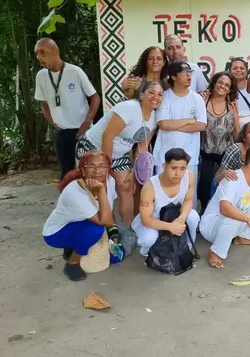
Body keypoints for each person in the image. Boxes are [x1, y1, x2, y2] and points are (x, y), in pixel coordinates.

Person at [76, 81, 163, 226]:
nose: (156, 97)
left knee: (127, 188)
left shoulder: (154, 118)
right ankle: (105, 229)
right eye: (151, 92)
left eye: (160, 94)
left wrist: (134, 172)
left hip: (120, 154)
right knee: (97, 190)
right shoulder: (129, 108)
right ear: (142, 95)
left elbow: (143, 147)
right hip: (93, 148)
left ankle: (126, 229)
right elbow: (107, 136)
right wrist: (106, 168)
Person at [43, 151, 118, 281]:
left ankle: (72, 247)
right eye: (91, 166)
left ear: (108, 168)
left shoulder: (110, 181)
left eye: (102, 166)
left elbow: (108, 212)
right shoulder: (75, 192)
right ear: (83, 170)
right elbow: (105, 221)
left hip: (79, 223)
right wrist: (101, 191)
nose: (97, 171)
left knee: (115, 257)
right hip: (56, 233)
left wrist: (113, 233)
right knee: (95, 230)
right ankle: (72, 263)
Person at [199, 145, 250, 269]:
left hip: (232, 224)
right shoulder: (233, 178)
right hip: (211, 226)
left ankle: (243, 237)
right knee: (233, 215)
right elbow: (224, 208)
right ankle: (215, 251)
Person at [34, 38, 100, 180]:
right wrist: (53, 123)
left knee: (89, 171)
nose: (39, 57)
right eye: (37, 53)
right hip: (62, 131)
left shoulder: (75, 71)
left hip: (83, 131)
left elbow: (95, 98)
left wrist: (87, 122)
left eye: (42, 52)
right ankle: (67, 195)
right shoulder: (41, 76)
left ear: (55, 51)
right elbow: (43, 103)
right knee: (67, 173)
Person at [153, 61, 207, 202]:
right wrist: (189, 120)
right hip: (164, 156)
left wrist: (174, 124)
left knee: (188, 198)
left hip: (189, 157)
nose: (189, 76)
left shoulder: (197, 99)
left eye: (190, 72)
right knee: (161, 197)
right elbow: (163, 124)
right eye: (184, 73)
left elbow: (201, 125)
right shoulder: (165, 97)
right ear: (173, 77)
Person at [132, 148, 200, 257]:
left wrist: (181, 218)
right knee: (149, 238)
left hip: (175, 216)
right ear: (164, 166)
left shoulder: (189, 176)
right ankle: (148, 254)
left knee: (193, 216)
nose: (178, 173)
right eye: (173, 168)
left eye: (182, 168)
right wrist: (171, 227)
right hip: (154, 221)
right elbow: (146, 220)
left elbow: (188, 200)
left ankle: (186, 247)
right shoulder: (150, 187)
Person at [198, 71, 240, 212]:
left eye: (226, 85)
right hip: (205, 150)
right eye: (220, 82)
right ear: (214, 83)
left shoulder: (231, 106)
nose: (222, 86)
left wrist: (236, 115)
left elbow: (236, 132)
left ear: (230, 90)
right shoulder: (203, 101)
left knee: (227, 181)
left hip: (225, 152)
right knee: (205, 181)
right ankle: (205, 209)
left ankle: (225, 209)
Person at [229, 58, 250, 127]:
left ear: (246, 71)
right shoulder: (226, 88)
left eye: (242, 68)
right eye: (235, 68)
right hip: (231, 126)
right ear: (230, 71)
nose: (238, 70)